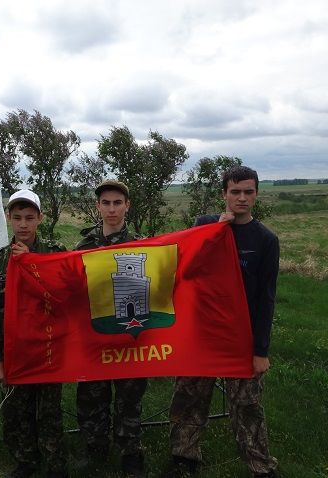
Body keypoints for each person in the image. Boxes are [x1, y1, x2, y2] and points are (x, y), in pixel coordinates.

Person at [164, 166, 280, 478]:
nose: (242, 198)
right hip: (202, 332)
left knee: (247, 406)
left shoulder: (266, 239)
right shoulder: (205, 225)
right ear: (224, 194)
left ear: (256, 194)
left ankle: (260, 466)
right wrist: (218, 228)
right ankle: (184, 458)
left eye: (248, 192)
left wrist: (261, 350)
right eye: (235, 192)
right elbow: (187, 268)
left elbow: (266, 297)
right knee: (188, 398)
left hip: (241, 337)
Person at [0, 189, 68, 478]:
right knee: (17, 411)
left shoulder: (55, 254)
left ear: (40, 218)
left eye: (30, 218)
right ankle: (26, 462)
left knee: (49, 412)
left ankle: (56, 466)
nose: (23, 225)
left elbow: (67, 296)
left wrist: (32, 263)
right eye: (17, 218)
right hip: (14, 351)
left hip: (48, 349)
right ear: (8, 218)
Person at [75, 179, 148, 478]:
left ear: (127, 205)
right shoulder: (84, 246)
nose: (112, 209)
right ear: (98, 206)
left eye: (118, 202)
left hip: (130, 334)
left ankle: (131, 453)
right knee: (92, 395)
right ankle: (96, 448)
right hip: (95, 335)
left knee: (130, 397)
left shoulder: (142, 245)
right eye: (106, 203)